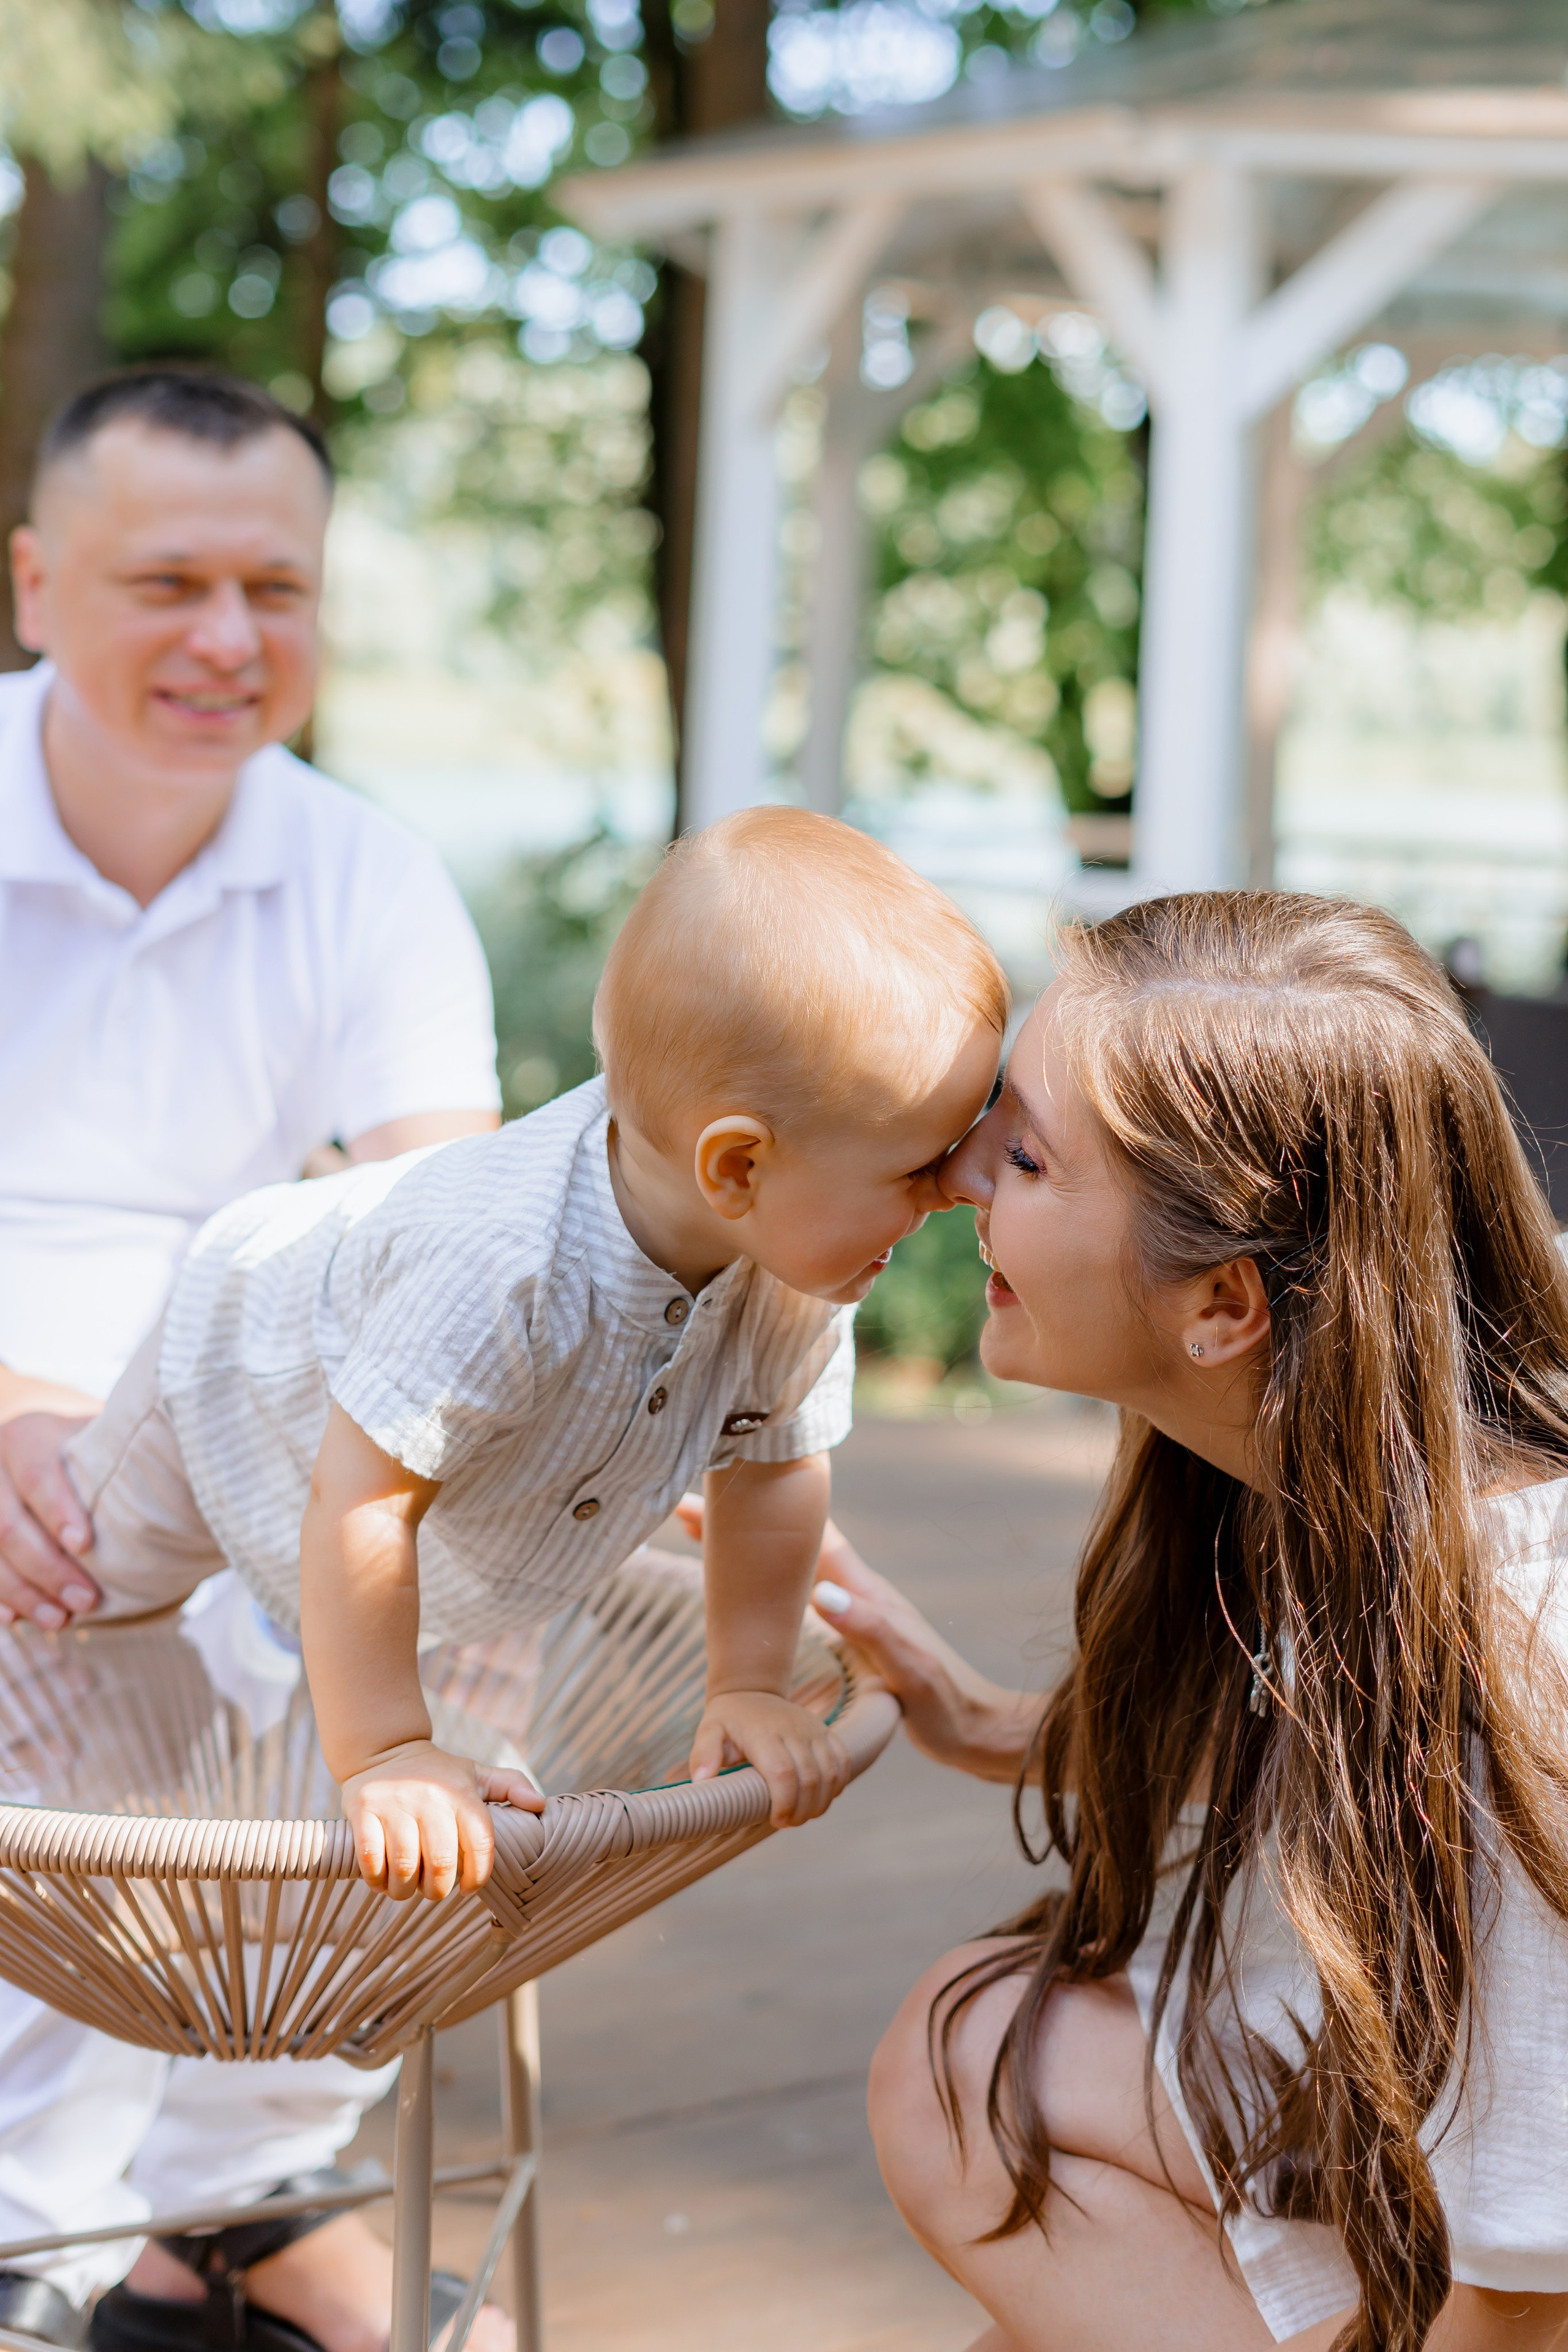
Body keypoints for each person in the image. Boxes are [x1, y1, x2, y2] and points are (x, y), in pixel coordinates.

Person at [792, 893, 1568, 2352]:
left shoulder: (1519, 1652)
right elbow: (1334, 1759)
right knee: (976, 2056)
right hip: (1390, 2143)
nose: (958, 1173)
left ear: (1221, 1304)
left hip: (1499, 2264)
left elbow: (1530, 2270)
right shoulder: (1343, 1476)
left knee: (965, 2073)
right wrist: (984, 1721)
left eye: (1025, 1156)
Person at [57, 807, 1008, 1891]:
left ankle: (296, 1708)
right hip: (233, 1384)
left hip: (471, 1524)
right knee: (74, 1590)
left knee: (452, 1778)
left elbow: (774, 1473)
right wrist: (387, 1752)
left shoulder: (795, 1281)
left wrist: (745, 1680)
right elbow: (364, 1502)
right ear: (738, 1169)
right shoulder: (502, 1267)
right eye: (918, 1166)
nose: (958, 1187)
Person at [0, 368, 507, 2352]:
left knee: (458, 1594)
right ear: (36, 587)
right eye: (169, 583)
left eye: (275, 590)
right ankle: (54, 2234)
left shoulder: (367, 875)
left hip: (222, 1408)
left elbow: (452, 1239)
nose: (229, 638)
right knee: (81, 1600)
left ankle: (235, 2194)